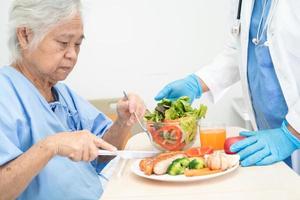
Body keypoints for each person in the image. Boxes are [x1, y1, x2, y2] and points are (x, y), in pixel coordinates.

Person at [0, 0, 145, 199]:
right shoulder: (5, 94)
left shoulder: (63, 95)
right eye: (63, 43)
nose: (73, 55)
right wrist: (50, 146)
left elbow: (103, 155)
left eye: (77, 44)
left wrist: (122, 122)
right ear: (25, 35)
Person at [155, 0, 300, 168]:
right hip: (267, 135)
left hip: (290, 133)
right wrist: (197, 82)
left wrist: (291, 134)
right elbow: (240, 50)